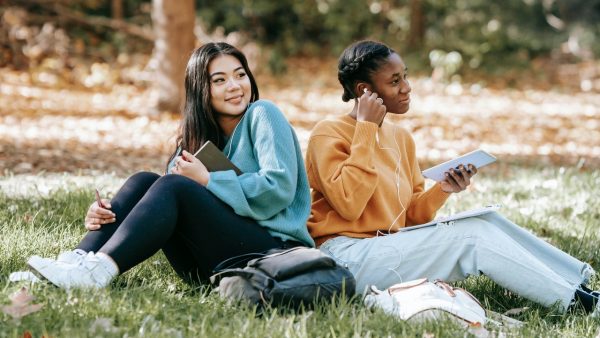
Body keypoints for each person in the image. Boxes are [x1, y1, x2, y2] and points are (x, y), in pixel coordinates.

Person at [305, 40, 598, 314]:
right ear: (363, 91)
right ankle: (578, 303)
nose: (407, 87)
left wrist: (442, 189)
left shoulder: (400, 137)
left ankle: (579, 283)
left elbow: (411, 217)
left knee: (482, 221)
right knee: (471, 237)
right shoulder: (328, 133)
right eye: (395, 81)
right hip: (345, 259)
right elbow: (349, 204)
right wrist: (365, 129)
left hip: (387, 247)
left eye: (405, 76)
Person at [28, 42, 314, 289]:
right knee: (144, 181)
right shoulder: (196, 139)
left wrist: (209, 181)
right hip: (207, 266)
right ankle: (78, 260)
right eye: (219, 80)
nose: (235, 86)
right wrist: (106, 218)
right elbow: (160, 208)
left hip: (274, 254)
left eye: (240, 75)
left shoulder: (263, 114)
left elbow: (279, 189)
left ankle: (99, 270)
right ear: (201, 89)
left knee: (175, 185)